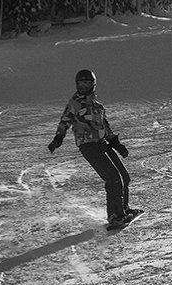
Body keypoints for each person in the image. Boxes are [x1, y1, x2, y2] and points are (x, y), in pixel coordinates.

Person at [47, 68, 138, 229]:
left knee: (124, 176)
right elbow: (65, 121)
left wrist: (117, 145)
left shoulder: (98, 106)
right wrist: (58, 138)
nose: (83, 87)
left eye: (87, 83)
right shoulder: (75, 103)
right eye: (81, 83)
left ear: (93, 84)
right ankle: (114, 216)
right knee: (112, 178)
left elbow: (106, 128)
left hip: (102, 144)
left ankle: (123, 210)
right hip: (88, 146)